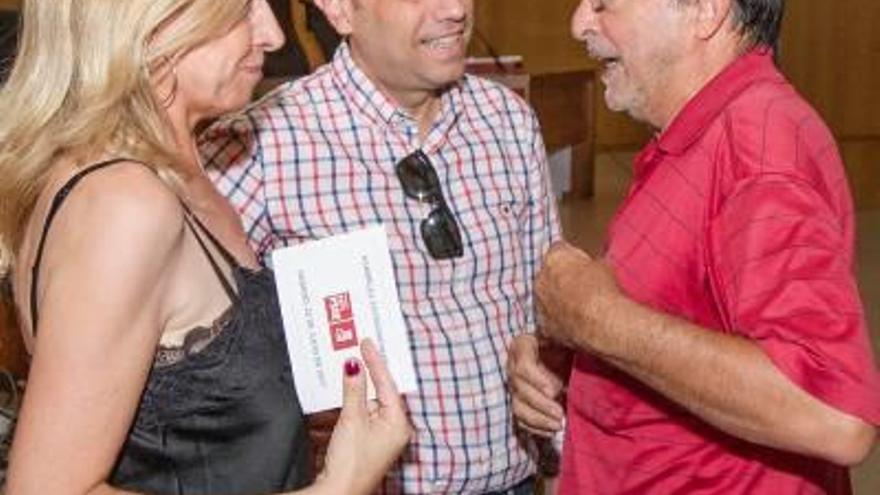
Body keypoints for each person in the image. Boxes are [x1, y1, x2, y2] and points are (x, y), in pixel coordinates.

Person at [0, 1, 411, 494]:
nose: (274, 35)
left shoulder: (177, 175)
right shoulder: (125, 204)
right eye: (242, 9)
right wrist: (337, 487)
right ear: (151, 21)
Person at [508, 0, 880, 493]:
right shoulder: (696, 132)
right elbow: (683, 314)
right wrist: (570, 361)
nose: (579, 24)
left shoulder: (758, 149)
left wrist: (597, 320)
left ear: (706, 11)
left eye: (603, 4)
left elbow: (832, 414)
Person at [199, 0, 561, 492]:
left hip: (517, 479)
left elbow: (544, 294)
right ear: (341, 12)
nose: (455, 10)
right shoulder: (259, 145)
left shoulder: (509, 122)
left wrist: (535, 350)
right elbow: (185, 351)